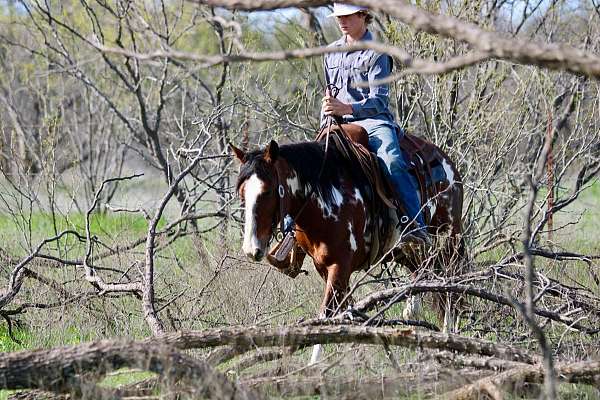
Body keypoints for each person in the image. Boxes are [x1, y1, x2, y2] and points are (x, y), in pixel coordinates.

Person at [320, 2, 428, 241]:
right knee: (308, 163)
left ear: (363, 15)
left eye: (347, 16)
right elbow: (329, 93)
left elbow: (378, 101)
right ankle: (293, 232)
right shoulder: (330, 52)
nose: (342, 21)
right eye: (339, 17)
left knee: (393, 162)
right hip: (336, 122)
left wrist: (347, 107)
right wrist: (327, 113)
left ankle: (415, 225)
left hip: (372, 121)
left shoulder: (377, 52)